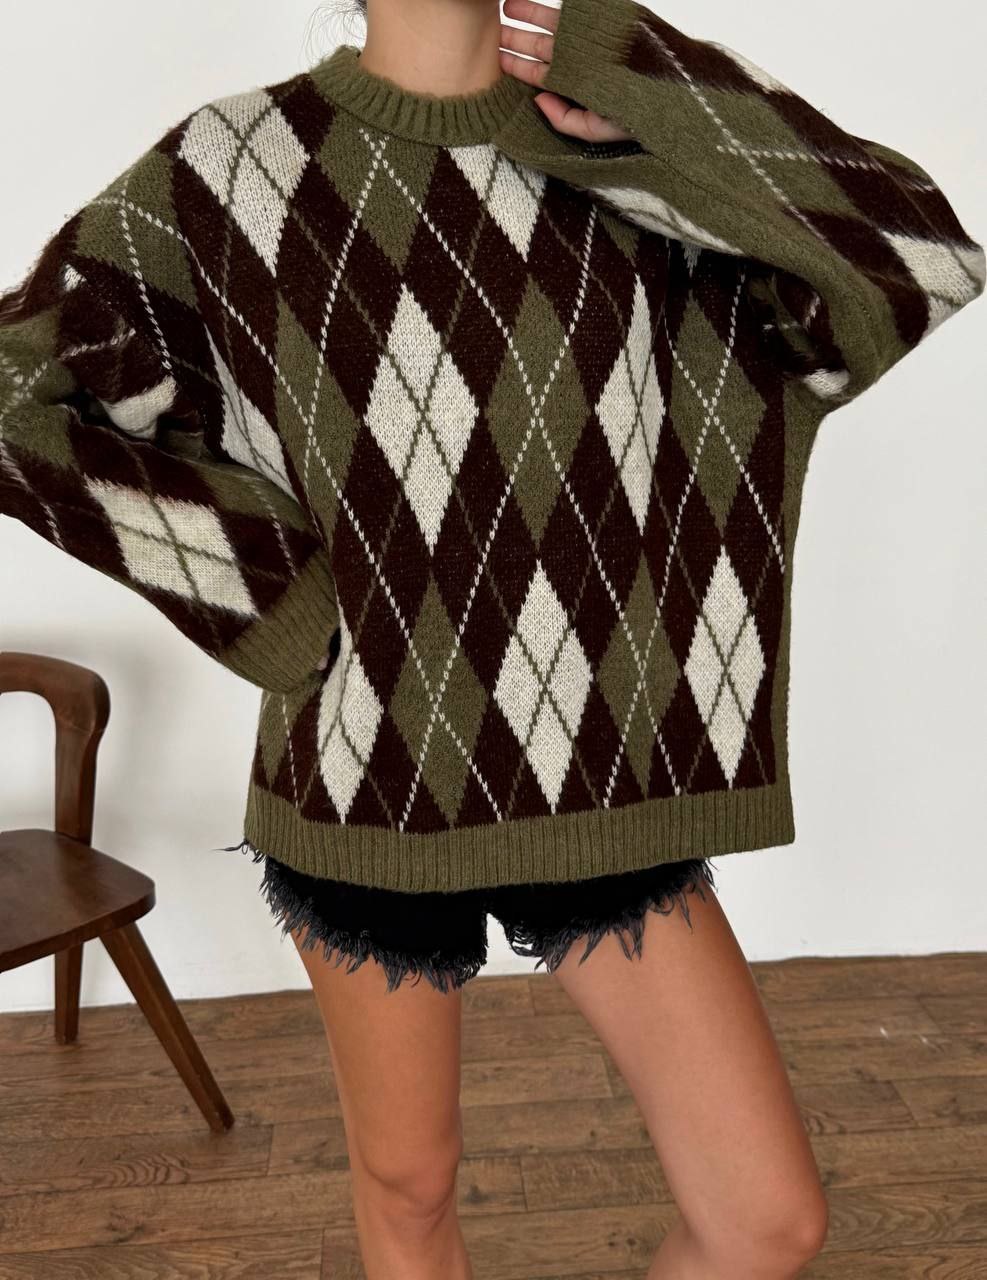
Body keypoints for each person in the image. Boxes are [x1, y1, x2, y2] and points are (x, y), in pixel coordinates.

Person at [0, 0, 981, 1276]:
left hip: (605, 774)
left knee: (767, 1219)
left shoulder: (626, 146)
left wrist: (648, 80)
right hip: (370, 771)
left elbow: (915, 260)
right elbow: (19, 392)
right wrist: (270, 590)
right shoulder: (227, 170)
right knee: (411, 1189)